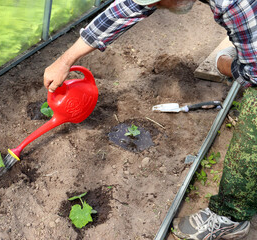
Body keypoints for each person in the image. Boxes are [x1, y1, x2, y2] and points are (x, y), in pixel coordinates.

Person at [43, 0, 257, 239]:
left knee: (252, 134)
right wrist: (65, 60)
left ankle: (231, 217)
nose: (153, 4)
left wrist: (224, 64)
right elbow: (126, 9)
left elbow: (253, 73)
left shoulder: (234, 3)